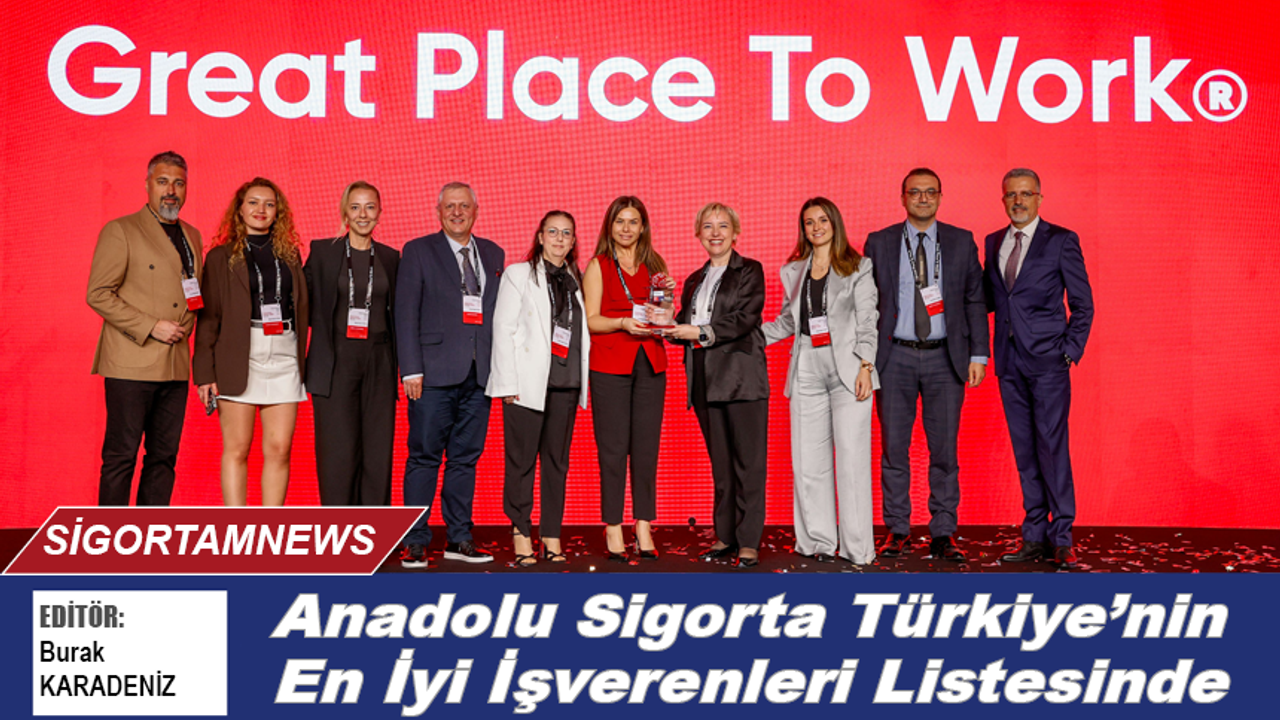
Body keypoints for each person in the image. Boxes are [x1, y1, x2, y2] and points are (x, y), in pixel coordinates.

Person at [863, 168, 989, 562]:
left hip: (945, 358)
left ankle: (943, 533)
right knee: (893, 450)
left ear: (940, 197)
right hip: (893, 357)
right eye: (915, 192)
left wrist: (978, 355)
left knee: (945, 451)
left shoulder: (961, 241)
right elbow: (866, 303)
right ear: (902, 197)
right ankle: (897, 529)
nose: (922, 198)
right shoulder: (880, 242)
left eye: (930, 192)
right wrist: (864, 359)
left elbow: (974, 300)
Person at [984, 168, 1094, 569]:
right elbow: (991, 299)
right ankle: (1033, 536)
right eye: (1011, 194)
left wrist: (1068, 351)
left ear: (1039, 198)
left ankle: (1062, 537)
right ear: (1003, 200)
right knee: (1025, 451)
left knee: (1052, 447)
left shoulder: (1061, 240)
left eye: (1026, 194)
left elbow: (1083, 304)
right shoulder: (992, 242)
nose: (1018, 201)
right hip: (1008, 362)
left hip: (1048, 363)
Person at [762, 197, 879, 564]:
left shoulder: (859, 266)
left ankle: (857, 549)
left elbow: (868, 320)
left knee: (852, 460)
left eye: (823, 220)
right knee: (807, 462)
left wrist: (866, 366)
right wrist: (741, 337)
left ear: (835, 223)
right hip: (806, 366)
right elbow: (787, 322)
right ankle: (818, 542)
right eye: (809, 222)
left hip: (849, 367)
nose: (816, 227)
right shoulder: (793, 271)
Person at [396, 182, 503, 568]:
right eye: (450, 206)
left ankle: (459, 537)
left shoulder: (493, 253)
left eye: (464, 206)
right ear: (438, 212)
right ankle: (415, 540)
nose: (457, 212)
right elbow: (405, 312)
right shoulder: (418, 250)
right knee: (424, 457)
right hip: (432, 375)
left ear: (476, 211)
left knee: (465, 460)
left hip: (479, 375)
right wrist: (411, 368)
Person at [87, 151, 203, 506]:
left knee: (164, 458)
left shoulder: (192, 235)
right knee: (121, 456)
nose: (171, 191)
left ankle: (149, 535)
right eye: (163, 181)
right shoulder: (121, 230)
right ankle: (110, 536)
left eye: (179, 183)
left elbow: (193, 293)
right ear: (148, 185)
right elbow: (98, 293)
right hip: (131, 363)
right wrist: (152, 326)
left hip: (175, 364)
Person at [663, 203, 769, 568]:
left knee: (749, 466)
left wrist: (699, 332)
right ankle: (725, 535)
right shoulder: (694, 280)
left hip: (742, 380)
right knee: (721, 466)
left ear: (735, 232)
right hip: (705, 382)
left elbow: (745, 318)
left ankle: (749, 541)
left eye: (723, 226)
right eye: (707, 226)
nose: (715, 233)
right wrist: (663, 319)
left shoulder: (750, 270)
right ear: (698, 234)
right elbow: (682, 324)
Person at [194, 178, 309, 506]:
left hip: (285, 354)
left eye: (269, 204)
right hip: (238, 355)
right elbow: (208, 319)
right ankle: (238, 529)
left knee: (280, 450)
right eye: (254, 202)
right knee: (237, 449)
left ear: (278, 212)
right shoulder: (220, 258)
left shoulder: (290, 255)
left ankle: (269, 529)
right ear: (240, 210)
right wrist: (204, 373)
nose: (261, 209)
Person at [487, 211, 591, 566]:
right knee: (521, 462)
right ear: (541, 236)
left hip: (566, 382)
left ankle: (551, 534)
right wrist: (507, 383)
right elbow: (503, 329)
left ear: (573, 241)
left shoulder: (576, 279)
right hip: (526, 384)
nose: (560, 238)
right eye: (553, 232)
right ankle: (520, 531)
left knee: (557, 464)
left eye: (566, 233)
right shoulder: (518, 274)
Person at [582, 196, 674, 561]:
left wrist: (666, 309)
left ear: (643, 227)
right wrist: (622, 322)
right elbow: (591, 320)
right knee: (613, 449)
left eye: (633, 221)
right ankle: (613, 525)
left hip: (650, 362)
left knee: (647, 449)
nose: (626, 228)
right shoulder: (598, 265)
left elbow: (664, 318)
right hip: (609, 364)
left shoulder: (656, 265)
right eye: (620, 221)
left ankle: (644, 524)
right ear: (609, 225)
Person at [304, 181, 400, 506]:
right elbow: (300, 301)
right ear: (345, 212)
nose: (363, 214)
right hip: (335, 359)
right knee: (338, 452)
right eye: (355, 207)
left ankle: (373, 529)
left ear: (380, 213)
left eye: (370, 207)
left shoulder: (390, 257)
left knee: (377, 451)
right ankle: (339, 529)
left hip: (380, 359)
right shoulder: (323, 252)